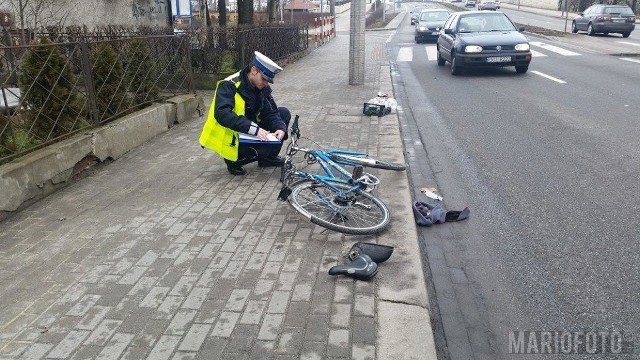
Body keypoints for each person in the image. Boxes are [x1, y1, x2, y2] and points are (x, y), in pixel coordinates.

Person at [199, 51, 290, 175]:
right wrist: (255, 129)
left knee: (283, 113)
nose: (265, 83)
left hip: (249, 128)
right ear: (253, 70)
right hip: (233, 137)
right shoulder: (228, 85)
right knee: (239, 156)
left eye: (268, 81)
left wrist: (280, 128)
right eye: (264, 79)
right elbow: (223, 115)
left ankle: (267, 158)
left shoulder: (261, 86)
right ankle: (233, 161)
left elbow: (271, 112)